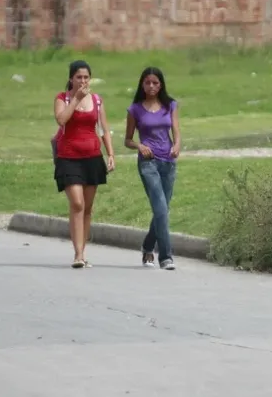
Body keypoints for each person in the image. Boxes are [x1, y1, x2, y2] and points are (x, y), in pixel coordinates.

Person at [53, 60, 115, 269]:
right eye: (78, 77)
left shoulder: (96, 100)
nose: (82, 81)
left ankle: (82, 253)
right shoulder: (62, 98)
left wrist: (111, 154)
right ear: (71, 78)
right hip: (69, 157)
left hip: (92, 157)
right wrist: (75, 100)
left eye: (86, 77)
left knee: (87, 208)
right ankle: (77, 254)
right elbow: (61, 120)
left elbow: (104, 129)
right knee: (77, 203)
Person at [124, 66, 181, 270]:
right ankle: (166, 257)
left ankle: (148, 245)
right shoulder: (135, 109)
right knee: (160, 208)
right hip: (148, 163)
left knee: (162, 210)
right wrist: (140, 145)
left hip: (168, 162)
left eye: (155, 82)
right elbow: (128, 140)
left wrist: (177, 146)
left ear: (161, 84)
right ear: (142, 84)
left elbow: (176, 130)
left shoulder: (170, 105)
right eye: (147, 82)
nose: (151, 86)